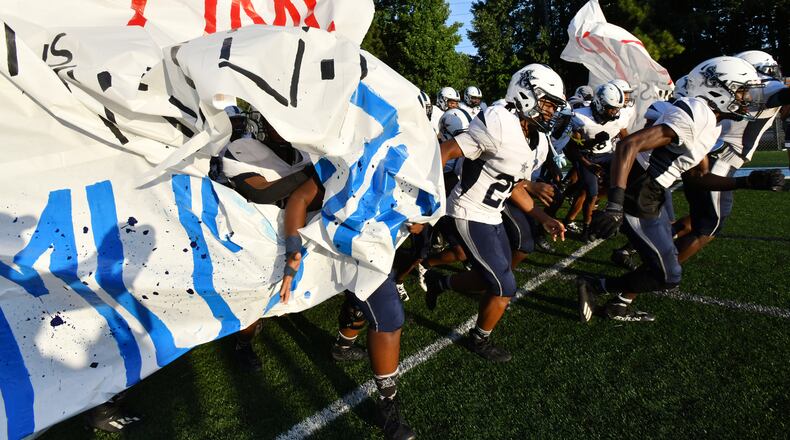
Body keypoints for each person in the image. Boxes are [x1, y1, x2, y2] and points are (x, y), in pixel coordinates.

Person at [578, 56, 773, 323]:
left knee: (665, 264)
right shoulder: (698, 113)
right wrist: (615, 205)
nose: (747, 98)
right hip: (641, 191)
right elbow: (628, 146)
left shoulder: (709, 121)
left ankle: (613, 301)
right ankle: (597, 286)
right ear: (717, 89)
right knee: (668, 276)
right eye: (741, 91)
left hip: (653, 192)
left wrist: (745, 182)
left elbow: (696, 178)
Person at [423, 64, 566, 362]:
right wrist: (422, 192)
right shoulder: (500, 121)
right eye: (548, 103)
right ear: (527, 94)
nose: (551, 112)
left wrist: (544, 218)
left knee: (493, 279)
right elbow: (446, 150)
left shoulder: (537, 141)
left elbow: (511, 185)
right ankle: (479, 340)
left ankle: (441, 282)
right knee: (504, 286)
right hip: (467, 211)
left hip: (493, 214)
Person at [279, 174, 416, 440]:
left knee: (360, 302)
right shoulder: (349, 153)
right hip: (349, 251)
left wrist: (417, 215)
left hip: (374, 246)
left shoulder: (400, 150)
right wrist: (293, 254)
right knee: (388, 319)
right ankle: (387, 405)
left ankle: (342, 347)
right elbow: (300, 197)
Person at [673, 50, 789, 263]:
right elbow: (781, 95)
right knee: (707, 229)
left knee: (700, 216)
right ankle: (653, 274)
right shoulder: (765, 86)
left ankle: (634, 247)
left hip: (704, 155)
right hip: (722, 161)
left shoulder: (734, 88)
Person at [563, 83, 630, 242]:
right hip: (587, 157)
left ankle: (611, 217)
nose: (616, 112)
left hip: (607, 155)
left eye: (617, 108)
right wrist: (588, 165)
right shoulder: (580, 117)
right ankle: (587, 228)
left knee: (620, 185)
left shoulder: (619, 118)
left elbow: (627, 140)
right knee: (591, 193)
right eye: (612, 108)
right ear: (600, 104)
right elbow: (573, 149)